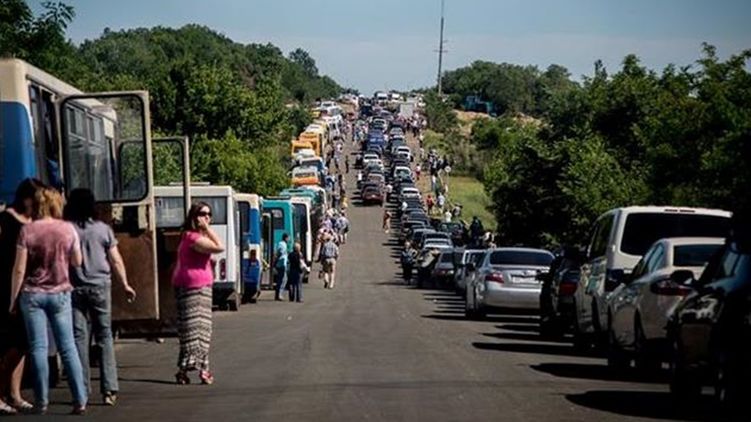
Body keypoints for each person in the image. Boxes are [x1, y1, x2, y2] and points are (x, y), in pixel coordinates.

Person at [9, 187, 87, 414]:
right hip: (61, 292)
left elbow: (19, 268)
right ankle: (79, 399)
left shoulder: (27, 230)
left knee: (38, 347)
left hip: (32, 294)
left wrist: (13, 299)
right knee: (68, 346)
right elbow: (77, 262)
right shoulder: (68, 229)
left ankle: (42, 401)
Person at [65, 188, 136, 406]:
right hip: (100, 286)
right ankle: (109, 390)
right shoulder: (103, 229)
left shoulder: (67, 230)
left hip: (75, 287)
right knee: (104, 336)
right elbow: (115, 259)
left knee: (79, 338)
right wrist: (125, 284)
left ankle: (82, 391)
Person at [0, 179, 43, 415]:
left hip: (28, 286)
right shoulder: (6, 219)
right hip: (8, 285)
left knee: (23, 342)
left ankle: (14, 394)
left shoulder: (34, 221)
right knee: (11, 341)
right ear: (26, 198)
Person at [172, 202, 224, 386]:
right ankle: (188, 369)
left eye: (210, 214)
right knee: (191, 330)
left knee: (203, 330)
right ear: (194, 217)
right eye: (203, 214)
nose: (207, 217)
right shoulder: (191, 237)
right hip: (191, 287)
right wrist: (208, 229)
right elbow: (219, 247)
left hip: (203, 286)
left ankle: (200, 368)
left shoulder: (195, 237)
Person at [273, 233, 290, 301]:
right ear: (285, 238)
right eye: (288, 238)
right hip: (282, 264)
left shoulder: (280, 243)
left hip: (280, 264)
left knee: (280, 279)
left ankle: (277, 294)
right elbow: (280, 253)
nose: (289, 239)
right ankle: (279, 294)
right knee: (284, 279)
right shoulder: (283, 244)